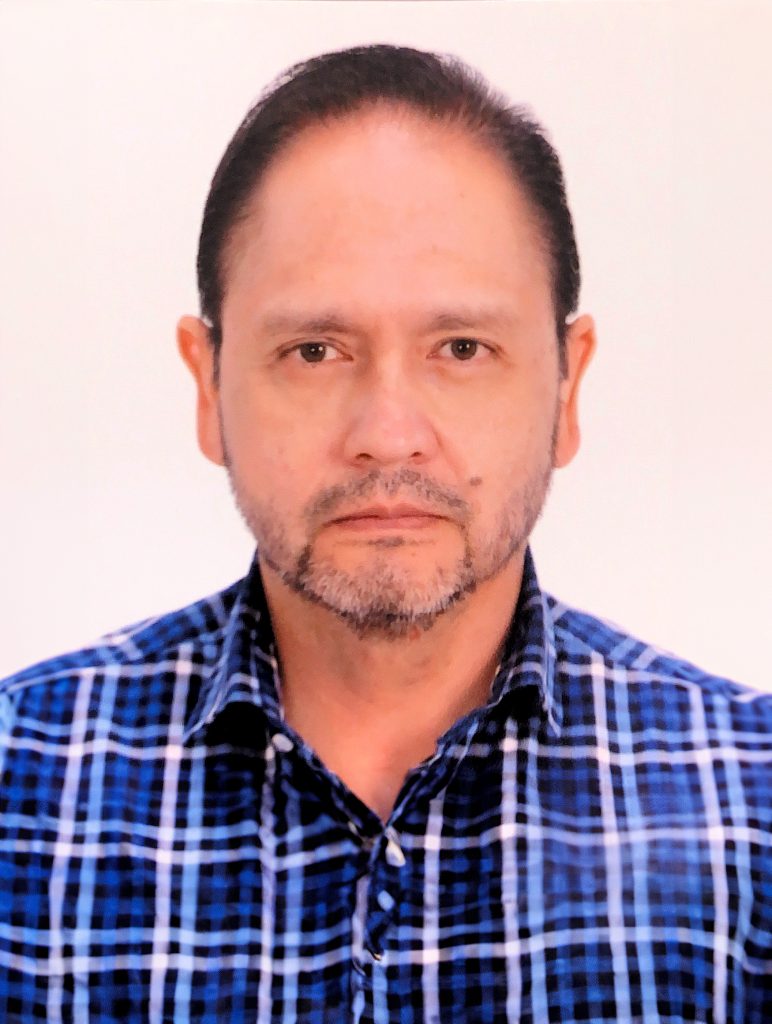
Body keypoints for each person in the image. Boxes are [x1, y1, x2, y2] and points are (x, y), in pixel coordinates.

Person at [0, 43, 769, 1024]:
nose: (388, 433)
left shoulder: (752, 808)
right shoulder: (20, 782)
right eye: (315, 350)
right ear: (208, 386)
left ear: (567, 386)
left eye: (462, 347)